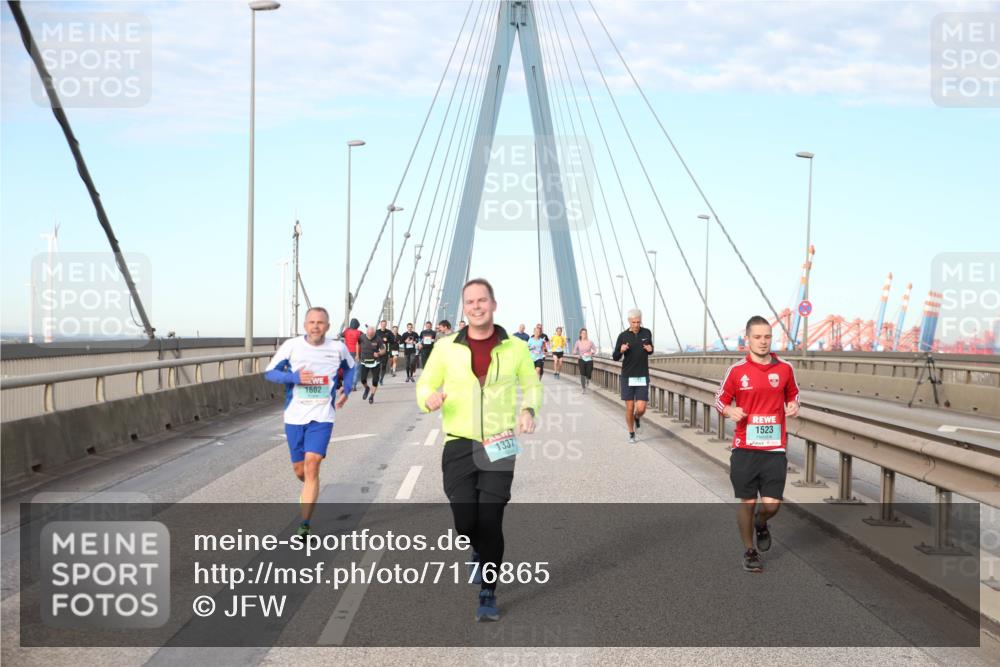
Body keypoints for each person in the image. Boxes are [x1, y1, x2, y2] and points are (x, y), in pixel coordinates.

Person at [416, 278, 542, 622]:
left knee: (491, 519)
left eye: (482, 300)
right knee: (465, 521)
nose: (476, 306)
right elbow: (426, 382)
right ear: (464, 307)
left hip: (500, 441)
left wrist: (529, 410)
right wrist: (428, 399)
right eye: (469, 301)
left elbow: (531, 385)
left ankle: (488, 591)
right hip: (458, 441)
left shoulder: (515, 348)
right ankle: (476, 548)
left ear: (493, 305)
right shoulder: (446, 348)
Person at [714, 316, 800, 573]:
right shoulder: (737, 371)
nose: (763, 342)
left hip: (774, 448)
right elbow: (719, 400)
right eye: (757, 337)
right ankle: (749, 551)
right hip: (745, 447)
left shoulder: (785, 368)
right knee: (748, 502)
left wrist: (795, 405)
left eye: (767, 337)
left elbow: (794, 394)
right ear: (747, 340)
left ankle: (762, 523)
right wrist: (729, 412)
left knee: (772, 505)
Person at [264, 307, 355, 538]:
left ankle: (304, 525)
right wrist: (293, 377)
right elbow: (269, 373)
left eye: (321, 322)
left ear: (328, 325)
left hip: (322, 416)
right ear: (305, 325)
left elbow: (352, 368)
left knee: (312, 464)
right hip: (294, 416)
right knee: (300, 470)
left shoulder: (337, 348)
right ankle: (309, 488)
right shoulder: (291, 346)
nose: (316, 326)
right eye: (312, 322)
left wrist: (348, 387)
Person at [612, 309, 654, 443]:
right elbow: (615, 357)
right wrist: (621, 350)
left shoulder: (646, 332)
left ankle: (637, 417)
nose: (636, 325)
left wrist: (650, 350)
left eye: (638, 322)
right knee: (629, 408)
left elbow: (650, 349)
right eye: (634, 322)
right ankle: (631, 433)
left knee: (641, 408)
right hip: (628, 376)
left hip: (642, 375)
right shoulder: (623, 336)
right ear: (629, 322)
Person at [357, 325, 386, 404]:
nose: (370, 337)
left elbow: (383, 350)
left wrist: (379, 353)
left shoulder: (378, 338)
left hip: (375, 362)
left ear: (374, 333)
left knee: (375, 380)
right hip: (364, 362)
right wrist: (357, 354)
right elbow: (357, 344)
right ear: (366, 333)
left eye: (371, 335)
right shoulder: (362, 337)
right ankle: (367, 388)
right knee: (362, 379)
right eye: (368, 335)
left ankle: (372, 396)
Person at [573, 328, 598, 393]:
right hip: (581, 359)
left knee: (589, 373)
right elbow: (574, 351)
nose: (584, 334)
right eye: (583, 333)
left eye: (585, 333)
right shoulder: (578, 342)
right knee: (582, 374)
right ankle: (583, 388)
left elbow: (595, 350)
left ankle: (588, 379)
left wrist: (591, 353)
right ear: (580, 334)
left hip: (589, 359)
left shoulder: (590, 342)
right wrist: (577, 354)